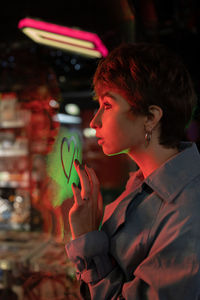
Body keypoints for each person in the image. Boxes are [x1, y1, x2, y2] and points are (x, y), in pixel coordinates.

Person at [65, 43, 200, 299]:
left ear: (151, 117)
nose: (94, 122)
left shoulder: (188, 210)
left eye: (107, 106)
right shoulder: (142, 182)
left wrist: (86, 238)